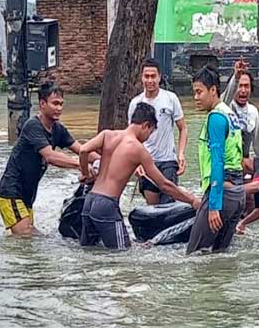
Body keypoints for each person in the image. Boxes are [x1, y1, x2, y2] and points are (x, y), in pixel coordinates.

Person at [78, 103, 200, 250]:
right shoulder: (138, 149)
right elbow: (164, 185)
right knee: (123, 254)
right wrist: (192, 200)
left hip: (89, 200)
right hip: (106, 205)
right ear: (146, 125)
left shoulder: (107, 135)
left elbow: (83, 150)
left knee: (88, 251)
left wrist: (86, 174)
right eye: (150, 133)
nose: (147, 138)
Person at [0, 82, 97, 236]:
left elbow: (82, 150)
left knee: (25, 244)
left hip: (28, 194)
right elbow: (50, 156)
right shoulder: (33, 126)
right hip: (11, 191)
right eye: (55, 103)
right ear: (42, 104)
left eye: (61, 104)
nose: (59, 108)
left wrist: (104, 161)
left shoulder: (58, 129)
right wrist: (81, 165)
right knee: (28, 236)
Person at [186, 66, 246, 255]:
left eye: (199, 92)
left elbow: (218, 162)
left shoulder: (216, 118)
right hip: (238, 195)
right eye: (194, 92)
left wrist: (214, 205)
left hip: (223, 194)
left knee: (194, 255)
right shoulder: (229, 114)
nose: (195, 97)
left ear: (213, 90)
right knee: (219, 257)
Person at [128, 58, 188, 204]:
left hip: (168, 160)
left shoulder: (170, 98)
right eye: (146, 76)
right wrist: (137, 163)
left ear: (159, 77)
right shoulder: (135, 103)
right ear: (141, 78)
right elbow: (131, 137)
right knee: (152, 207)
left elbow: (183, 128)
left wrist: (180, 154)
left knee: (168, 204)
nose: (150, 80)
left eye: (153, 76)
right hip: (146, 161)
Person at [221, 58, 259, 157]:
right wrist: (236, 77)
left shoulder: (253, 111)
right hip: (227, 163)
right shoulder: (226, 106)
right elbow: (225, 99)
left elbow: (258, 148)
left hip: (243, 163)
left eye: (246, 86)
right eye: (240, 86)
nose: (243, 90)